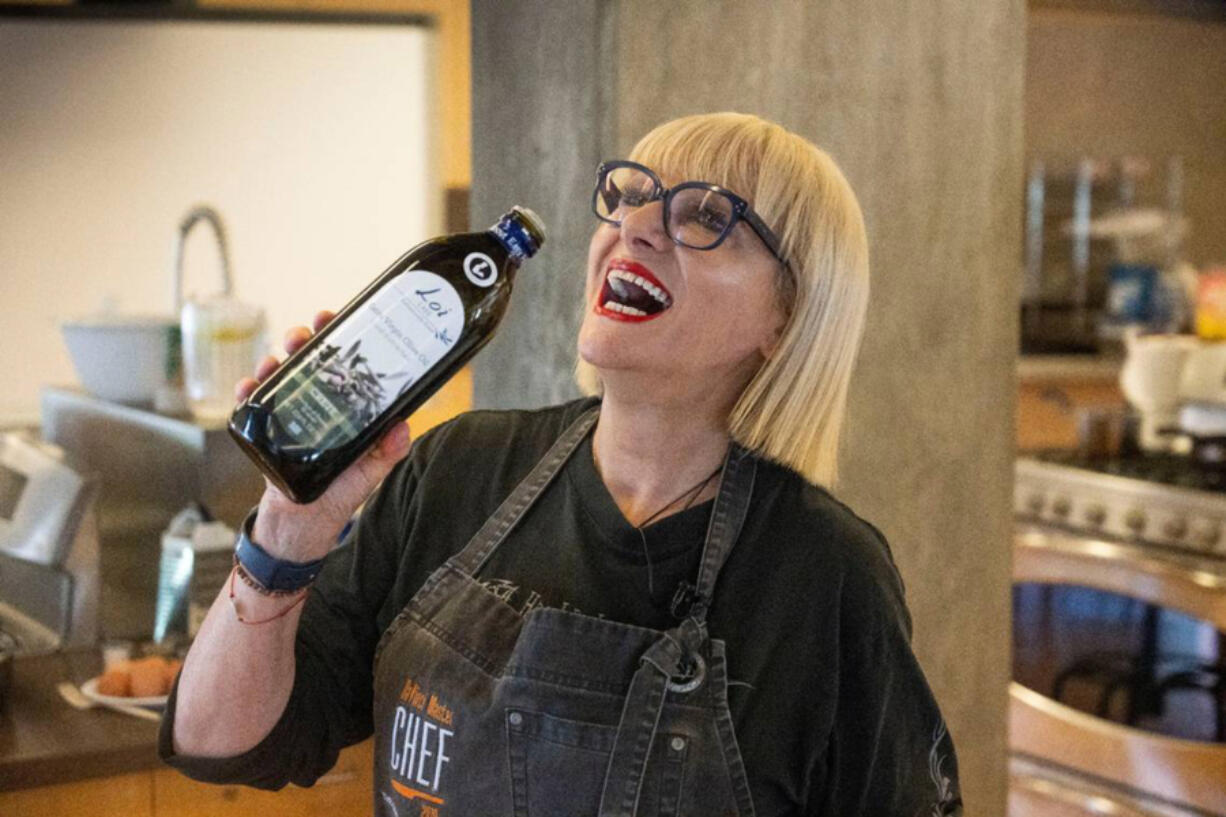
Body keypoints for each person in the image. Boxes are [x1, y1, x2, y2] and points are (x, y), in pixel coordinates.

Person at [160, 112, 963, 817]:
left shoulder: (824, 575)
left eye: (708, 216)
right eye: (630, 194)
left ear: (786, 321)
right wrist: (289, 527)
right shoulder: (460, 470)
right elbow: (217, 741)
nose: (636, 226)